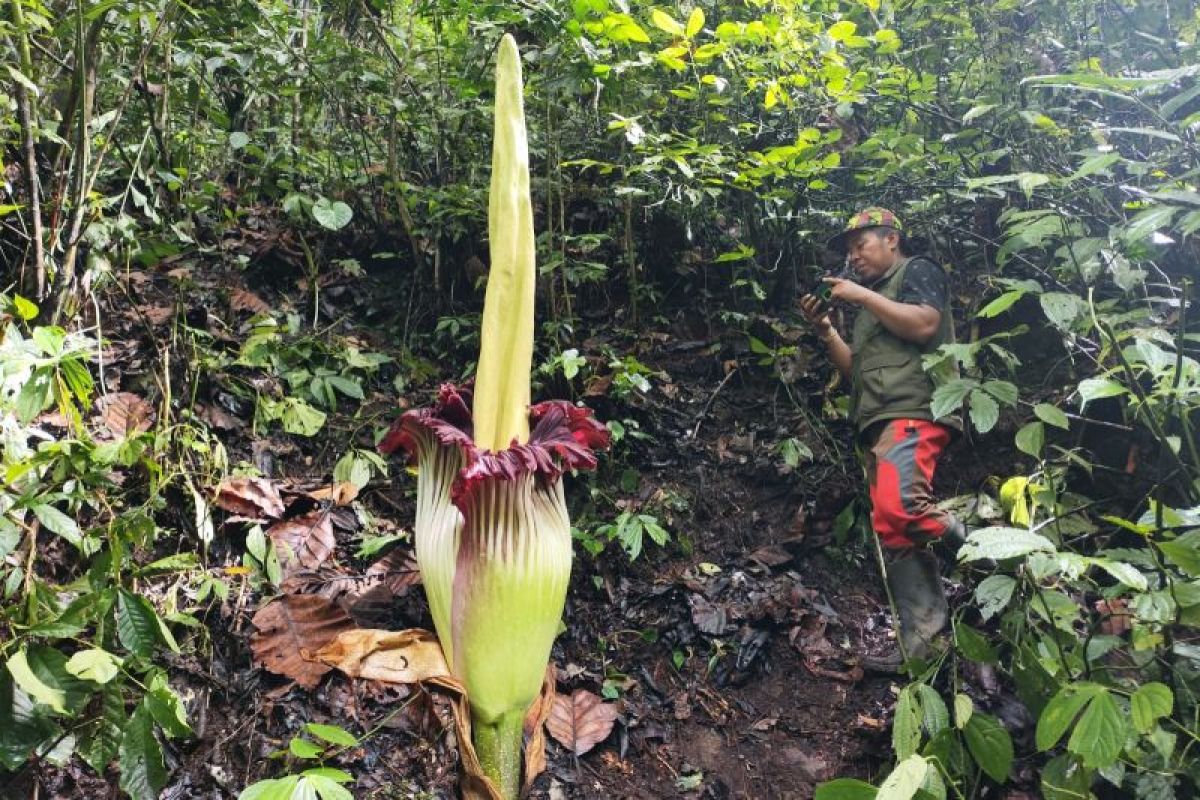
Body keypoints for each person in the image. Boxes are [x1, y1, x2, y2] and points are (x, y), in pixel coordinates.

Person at [799, 207, 966, 671]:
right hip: (878, 417)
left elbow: (925, 325)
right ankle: (925, 650)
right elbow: (855, 370)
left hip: (915, 409)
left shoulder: (917, 271)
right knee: (894, 530)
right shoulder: (870, 306)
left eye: (861, 244)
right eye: (850, 250)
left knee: (902, 509)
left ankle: (1000, 559)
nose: (854, 256)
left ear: (892, 239)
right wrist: (827, 328)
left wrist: (858, 296)